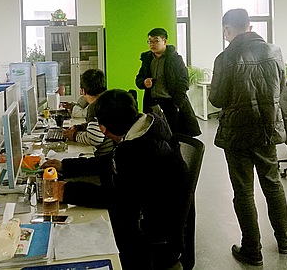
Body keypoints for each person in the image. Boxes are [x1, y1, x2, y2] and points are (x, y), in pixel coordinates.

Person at [44, 89, 188, 270]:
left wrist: (67, 191)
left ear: (103, 129)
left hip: (150, 238)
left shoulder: (139, 152)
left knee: (66, 243)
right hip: (152, 218)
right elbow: (109, 162)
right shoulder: (144, 132)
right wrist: (66, 166)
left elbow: (118, 199)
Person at [209, 8, 287, 267]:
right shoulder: (274, 52)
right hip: (267, 130)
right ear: (249, 26)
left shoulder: (224, 58)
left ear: (227, 30)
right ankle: (284, 239)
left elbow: (217, 99)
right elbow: (280, 88)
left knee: (244, 191)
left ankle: (252, 249)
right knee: (273, 184)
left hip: (237, 133)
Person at [135, 27, 201, 137]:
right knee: (154, 134)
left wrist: (177, 103)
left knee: (173, 134)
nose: (152, 44)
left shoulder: (175, 59)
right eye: (150, 41)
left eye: (156, 41)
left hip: (170, 103)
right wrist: (144, 82)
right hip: (152, 103)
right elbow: (139, 78)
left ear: (164, 41)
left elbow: (183, 81)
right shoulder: (147, 59)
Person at [62, 69, 113, 156]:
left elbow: (95, 138)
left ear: (83, 91)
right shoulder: (108, 100)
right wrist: (79, 127)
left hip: (106, 156)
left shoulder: (95, 106)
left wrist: (74, 136)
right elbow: (96, 126)